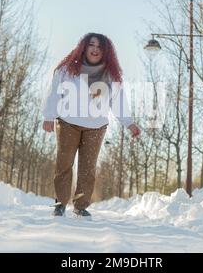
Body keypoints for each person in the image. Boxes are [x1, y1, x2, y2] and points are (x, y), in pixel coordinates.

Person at [42, 33, 141, 217]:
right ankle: (60, 203)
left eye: (99, 47)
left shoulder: (111, 75)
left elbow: (118, 102)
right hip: (67, 122)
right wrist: (49, 116)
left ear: (106, 52)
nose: (95, 49)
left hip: (96, 126)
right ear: (84, 47)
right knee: (64, 163)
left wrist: (130, 123)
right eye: (91, 45)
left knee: (88, 168)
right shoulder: (66, 70)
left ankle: (80, 205)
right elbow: (53, 93)